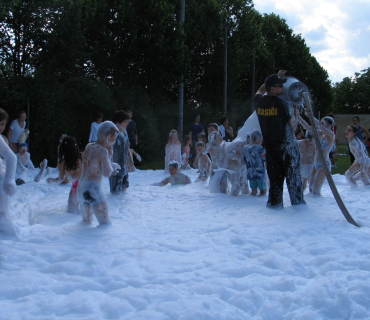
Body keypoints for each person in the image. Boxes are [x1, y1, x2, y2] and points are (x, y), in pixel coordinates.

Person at [254, 70, 305, 208]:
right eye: (280, 86)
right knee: (294, 181)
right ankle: (298, 208)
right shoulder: (284, 104)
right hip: (288, 148)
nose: (284, 88)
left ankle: (275, 206)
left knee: (275, 183)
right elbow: (293, 127)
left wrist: (276, 76)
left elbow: (260, 89)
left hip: (270, 149)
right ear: (273, 89)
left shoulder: (258, 102)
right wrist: (296, 108)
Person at [77, 121, 121, 225]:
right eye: (113, 139)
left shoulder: (89, 146)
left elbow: (94, 165)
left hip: (81, 188)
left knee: (86, 222)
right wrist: (110, 157)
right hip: (93, 190)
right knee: (105, 224)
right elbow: (107, 173)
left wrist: (110, 164)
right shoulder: (103, 151)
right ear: (108, 136)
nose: (113, 142)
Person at [299, 114, 335, 195]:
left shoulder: (331, 135)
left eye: (323, 123)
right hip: (315, 164)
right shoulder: (321, 134)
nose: (320, 125)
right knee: (311, 190)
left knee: (316, 190)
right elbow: (308, 127)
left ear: (329, 125)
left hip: (324, 164)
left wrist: (310, 116)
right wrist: (299, 117)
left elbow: (319, 126)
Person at [47, 135, 82, 213]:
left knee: (71, 212)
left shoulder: (62, 163)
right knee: (85, 211)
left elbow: (61, 178)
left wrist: (52, 181)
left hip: (76, 187)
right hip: (86, 184)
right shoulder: (81, 156)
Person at [0, 128, 17, 235]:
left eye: (2, 124)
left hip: (1, 179)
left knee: (2, 213)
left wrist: (9, 180)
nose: (1, 127)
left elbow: (11, 157)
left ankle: (9, 237)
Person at [110, 110, 130, 195]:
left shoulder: (124, 132)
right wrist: (111, 165)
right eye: (125, 122)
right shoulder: (112, 134)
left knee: (125, 189)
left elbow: (127, 147)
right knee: (116, 193)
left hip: (124, 166)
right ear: (118, 122)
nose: (127, 124)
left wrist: (130, 159)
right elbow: (108, 150)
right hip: (116, 167)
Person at [243, 129, 267, 196]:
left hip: (250, 174)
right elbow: (264, 158)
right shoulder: (260, 149)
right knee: (263, 192)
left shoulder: (246, 149)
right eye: (261, 140)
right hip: (260, 174)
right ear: (257, 139)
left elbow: (244, 159)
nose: (261, 142)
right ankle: (259, 205)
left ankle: (251, 203)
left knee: (253, 192)